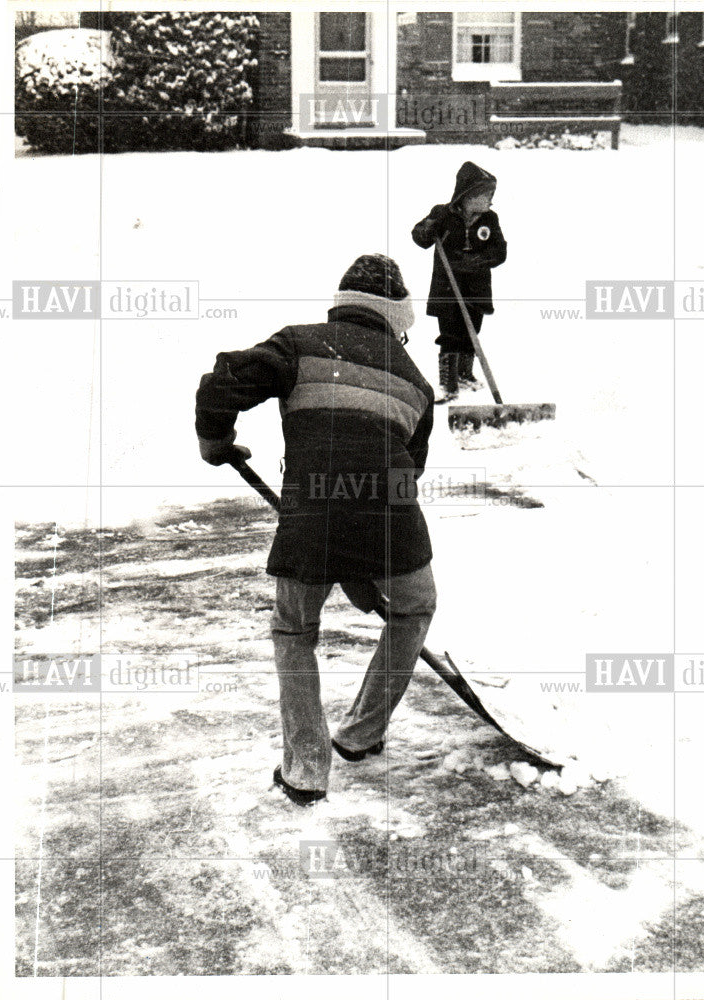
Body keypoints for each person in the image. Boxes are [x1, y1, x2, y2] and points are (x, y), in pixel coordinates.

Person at [195, 254, 436, 806]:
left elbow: (222, 383)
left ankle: (305, 767)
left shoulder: (301, 344)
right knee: (415, 606)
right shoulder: (418, 383)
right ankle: (362, 732)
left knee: (295, 626)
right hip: (392, 519)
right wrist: (366, 563)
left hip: (312, 515)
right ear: (399, 320)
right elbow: (407, 469)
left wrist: (215, 443)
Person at [411, 161, 507, 403]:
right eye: (486, 195)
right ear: (467, 195)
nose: (490, 201)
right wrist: (429, 227)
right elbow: (420, 237)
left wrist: (476, 260)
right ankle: (448, 381)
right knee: (450, 332)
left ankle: (465, 374)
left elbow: (499, 252)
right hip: (448, 287)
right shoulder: (443, 215)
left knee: (472, 330)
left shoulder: (490, 220)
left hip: (476, 288)